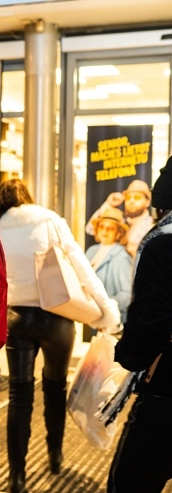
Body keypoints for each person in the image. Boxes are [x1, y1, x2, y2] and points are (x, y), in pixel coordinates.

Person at [0, 178, 120, 493]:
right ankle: (55, 454)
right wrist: (107, 311)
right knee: (55, 387)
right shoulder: (49, 221)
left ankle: (17, 477)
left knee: (19, 397)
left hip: (16, 318)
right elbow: (82, 268)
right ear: (28, 199)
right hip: (58, 317)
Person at [108, 156, 172, 493]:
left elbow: (152, 321)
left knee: (131, 481)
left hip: (166, 392)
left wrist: (129, 355)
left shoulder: (163, 243)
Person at [85, 207, 133, 327]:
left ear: (118, 232)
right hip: (91, 316)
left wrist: (105, 306)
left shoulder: (121, 256)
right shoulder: (91, 251)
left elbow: (127, 294)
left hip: (112, 322)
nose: (104, 231)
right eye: (102, 227)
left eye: (110, 228)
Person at [85, 179, 153, 258]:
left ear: (147, 202)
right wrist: (108, 204)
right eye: (128, 197)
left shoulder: (152, 226)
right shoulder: (121, 221)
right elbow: (90, 229)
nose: (131, 200)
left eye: (137, 197)